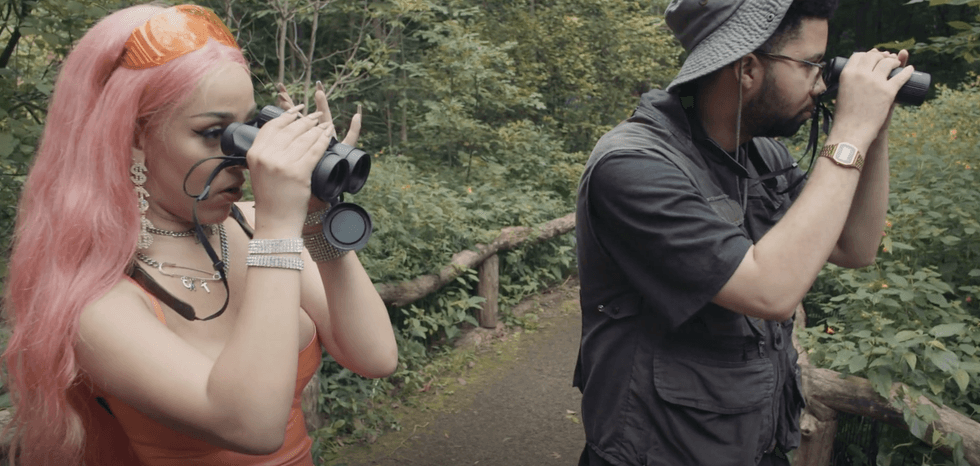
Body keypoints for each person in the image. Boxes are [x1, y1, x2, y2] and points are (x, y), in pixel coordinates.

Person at [1, 4, 398, 465]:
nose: (245, 158)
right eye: (213, 133)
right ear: (131, 137)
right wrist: (279, 228)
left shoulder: (254, 226)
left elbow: (375, 356)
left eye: (248, 129)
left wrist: (314, 213)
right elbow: (252, 424)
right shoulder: (94, 299)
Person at [573, 0, 914, 465]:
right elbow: (771, 291)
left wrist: (874, 131)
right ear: (748, 69)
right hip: (658, 453)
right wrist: (850, 129)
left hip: (755, 446)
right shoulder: (633, 167)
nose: (823, 81)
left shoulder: (760, 157)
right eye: (812, 64)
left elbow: (854, 246)